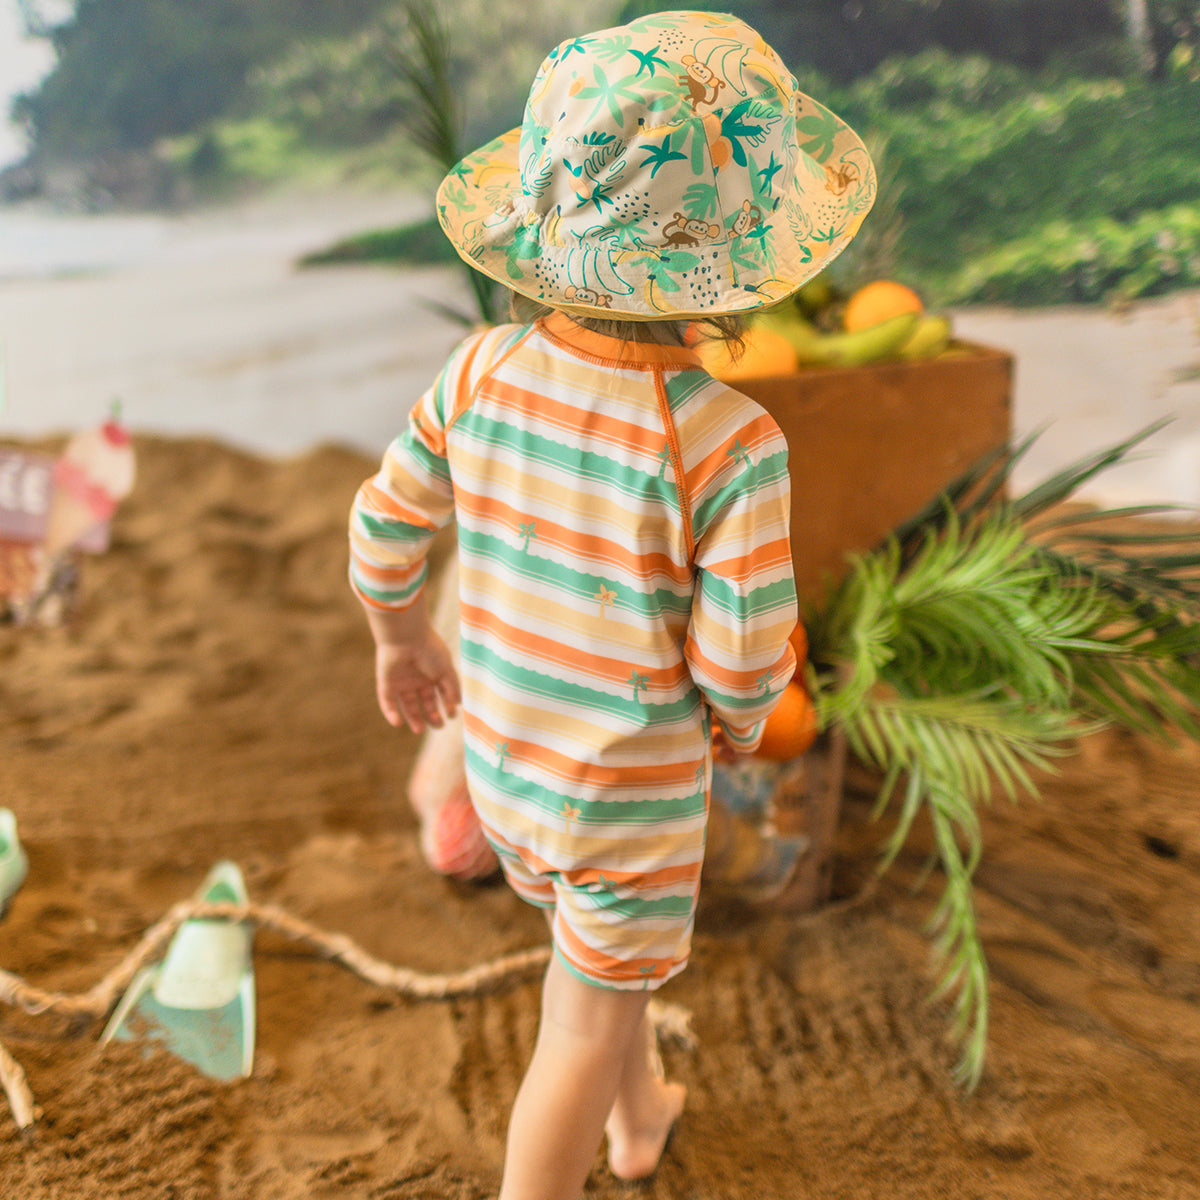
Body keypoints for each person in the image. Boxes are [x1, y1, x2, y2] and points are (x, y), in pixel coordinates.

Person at [349, 10, 874, 1197]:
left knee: (603, 974)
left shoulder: (480, 371)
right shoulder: (729, 443)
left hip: (509, 765)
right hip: (624, 797)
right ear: (743, 260)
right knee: (578, 1025)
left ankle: (640, 1127)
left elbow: (386, 525)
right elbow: (744, 660)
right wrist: (741, 729)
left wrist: (401, 636)